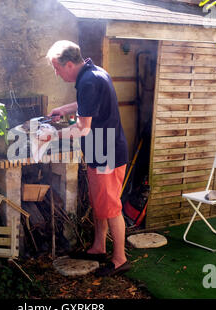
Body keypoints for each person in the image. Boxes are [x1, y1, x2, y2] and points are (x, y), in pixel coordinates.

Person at [45, 40, 130, 276]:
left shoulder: (89, 81)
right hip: (100, 150)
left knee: (111, 207)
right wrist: (63, 110)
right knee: (99, 202)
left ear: (69, 64)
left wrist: (51, 135)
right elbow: (87, 107)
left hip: (107, 153)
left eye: (57, 68)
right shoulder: (93, 73)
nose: (56, 73)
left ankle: (120, 259)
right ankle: (98, 247)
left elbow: (83, 128)